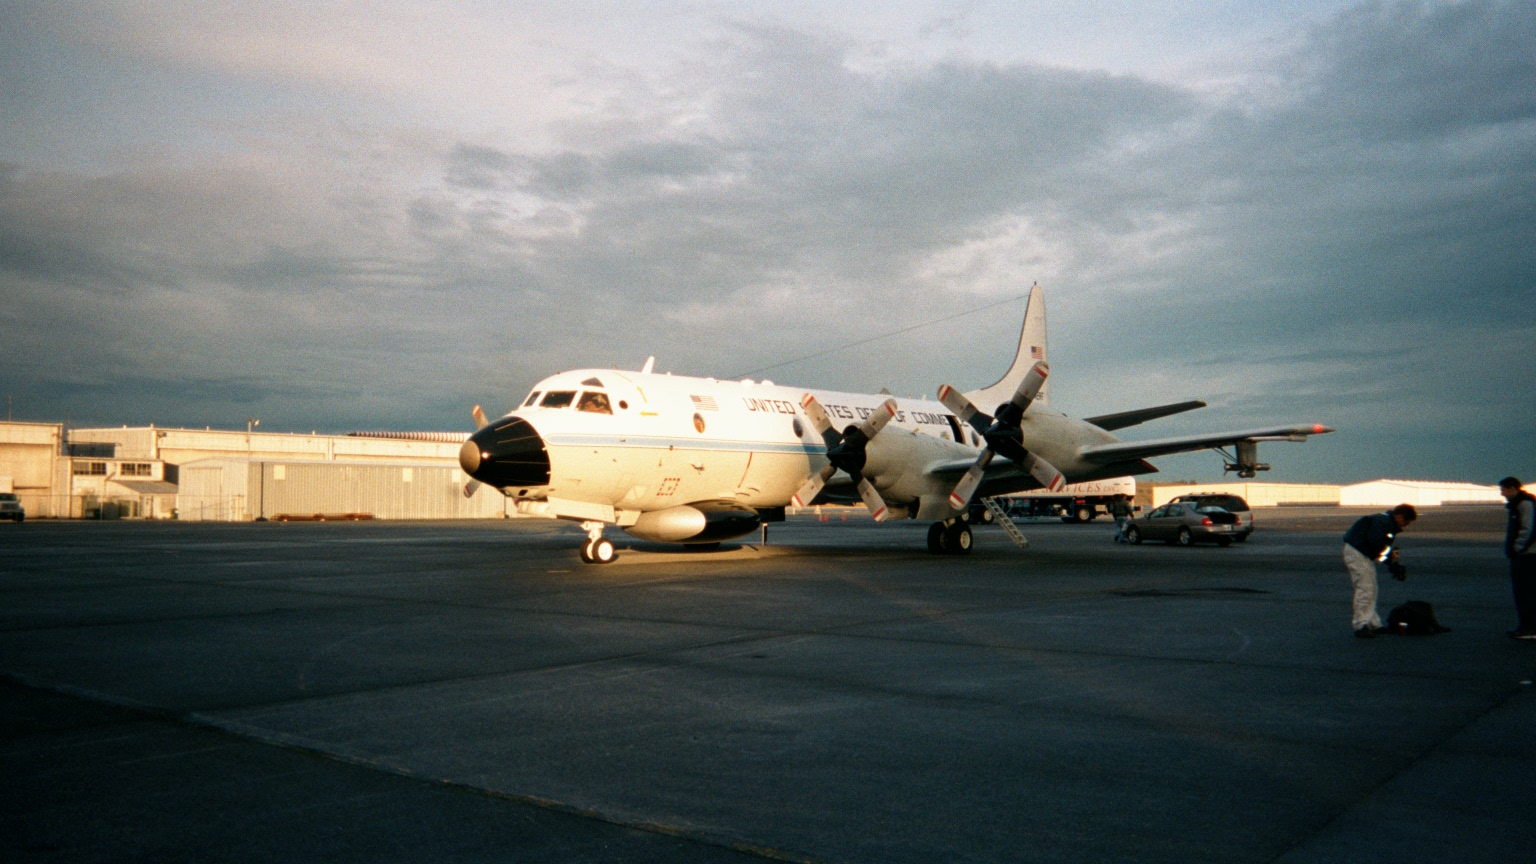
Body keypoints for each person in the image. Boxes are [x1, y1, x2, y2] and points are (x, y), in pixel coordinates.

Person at [1342, 503, 1417, 638]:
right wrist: (1391, 561)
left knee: (1371, 589)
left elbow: (1378, 548)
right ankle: (1360, 625)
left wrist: (1390, 561)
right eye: (1407, 522)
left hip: (1361, 553)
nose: (1405, 526)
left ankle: (1373, 623)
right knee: (1365, 589)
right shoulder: (1383, 523)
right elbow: (1376, 544)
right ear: (1400, 517)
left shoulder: (1384, 521)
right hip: (1358, 553)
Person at [1500, 477, 1536, 639]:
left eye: (1504, 490)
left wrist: (1517, 548)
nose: (1502, 493)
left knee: (1526, 591)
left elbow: (1528, 529)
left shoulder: (1525, 505)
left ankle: (1530, 628)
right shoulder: (1519, 505)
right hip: (1523, 554)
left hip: (1527, 556)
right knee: (1523, 591)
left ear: (1513, 488)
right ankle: (1526, 626)